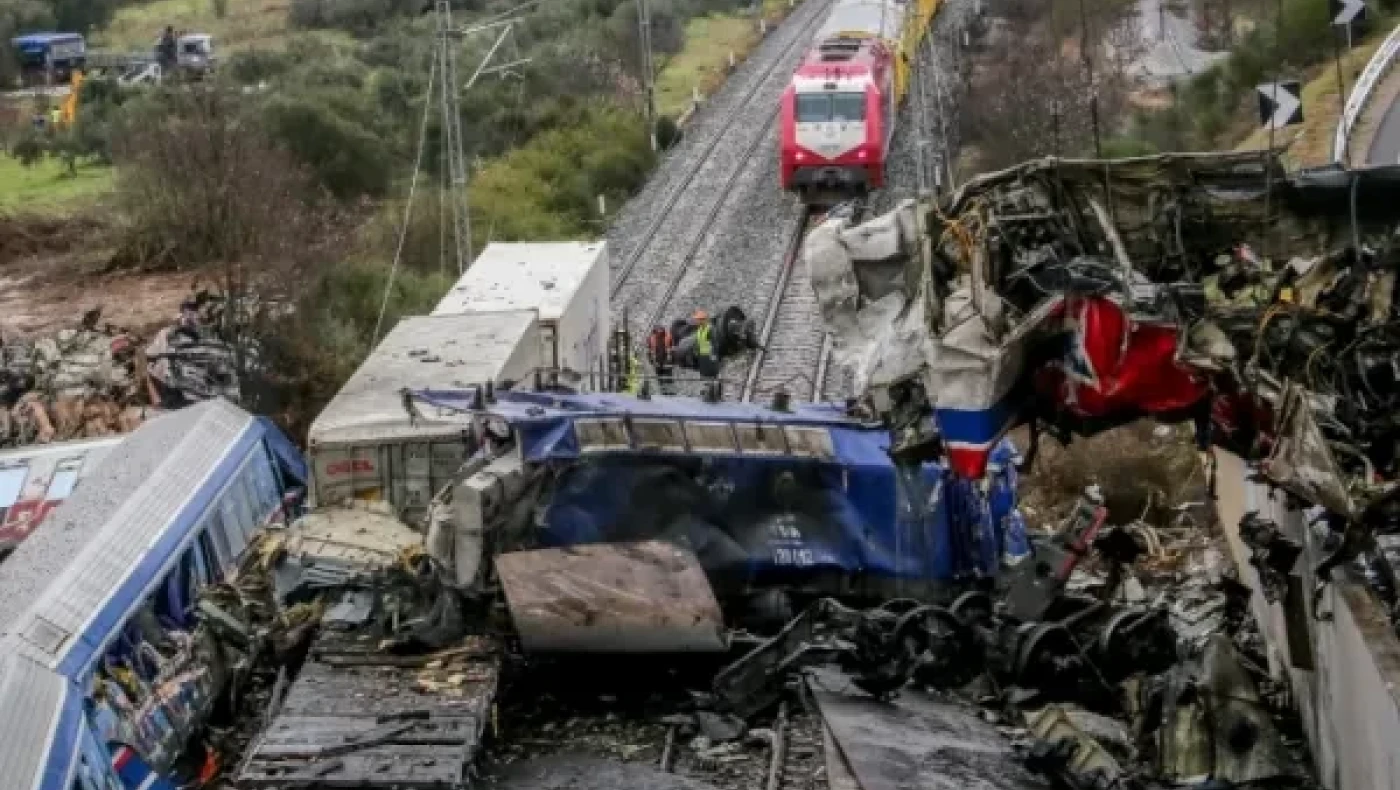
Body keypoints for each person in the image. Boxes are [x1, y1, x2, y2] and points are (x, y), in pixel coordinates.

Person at [693, 309, 719, 380]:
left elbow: (715, 343)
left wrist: (713, 355)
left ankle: (713, 387)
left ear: (703, 320)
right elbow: (697, 342)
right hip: (702, 356)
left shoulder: (710, 329)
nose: (697, 321)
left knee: (711, 374)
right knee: (704, 374)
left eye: (698, 320)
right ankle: (707, 386)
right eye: (697, 320)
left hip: (709, 356)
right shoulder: (699, 330)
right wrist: (696, 351)